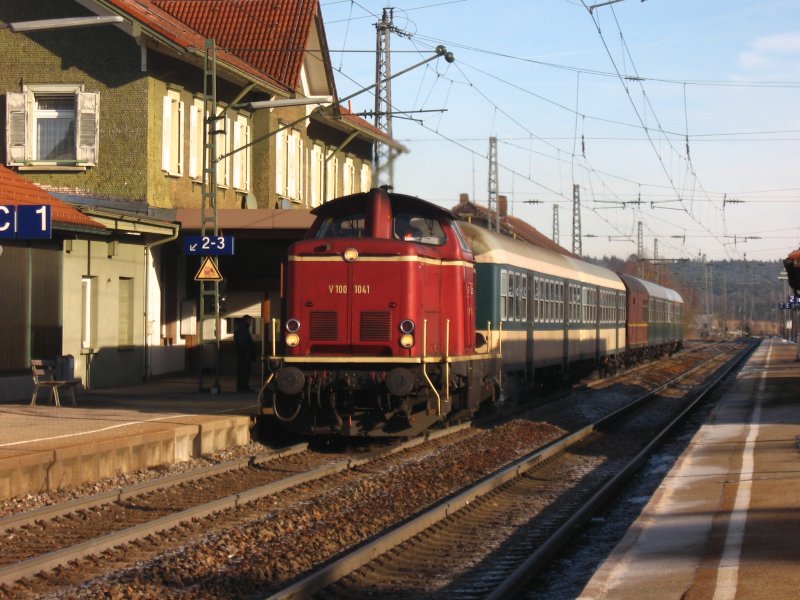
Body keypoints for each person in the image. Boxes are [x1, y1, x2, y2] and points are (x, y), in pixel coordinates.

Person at [234, 315, 257, 392]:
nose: (250, 322)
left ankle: (241, 387)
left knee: (243, 371)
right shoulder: (242, 330)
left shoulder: (241, 329)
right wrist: (247, 352)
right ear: (246, 320)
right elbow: (243, 343)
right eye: (249, 321)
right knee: (245, 371)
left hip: (242, 354)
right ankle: (243, 387)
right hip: (244, 355)